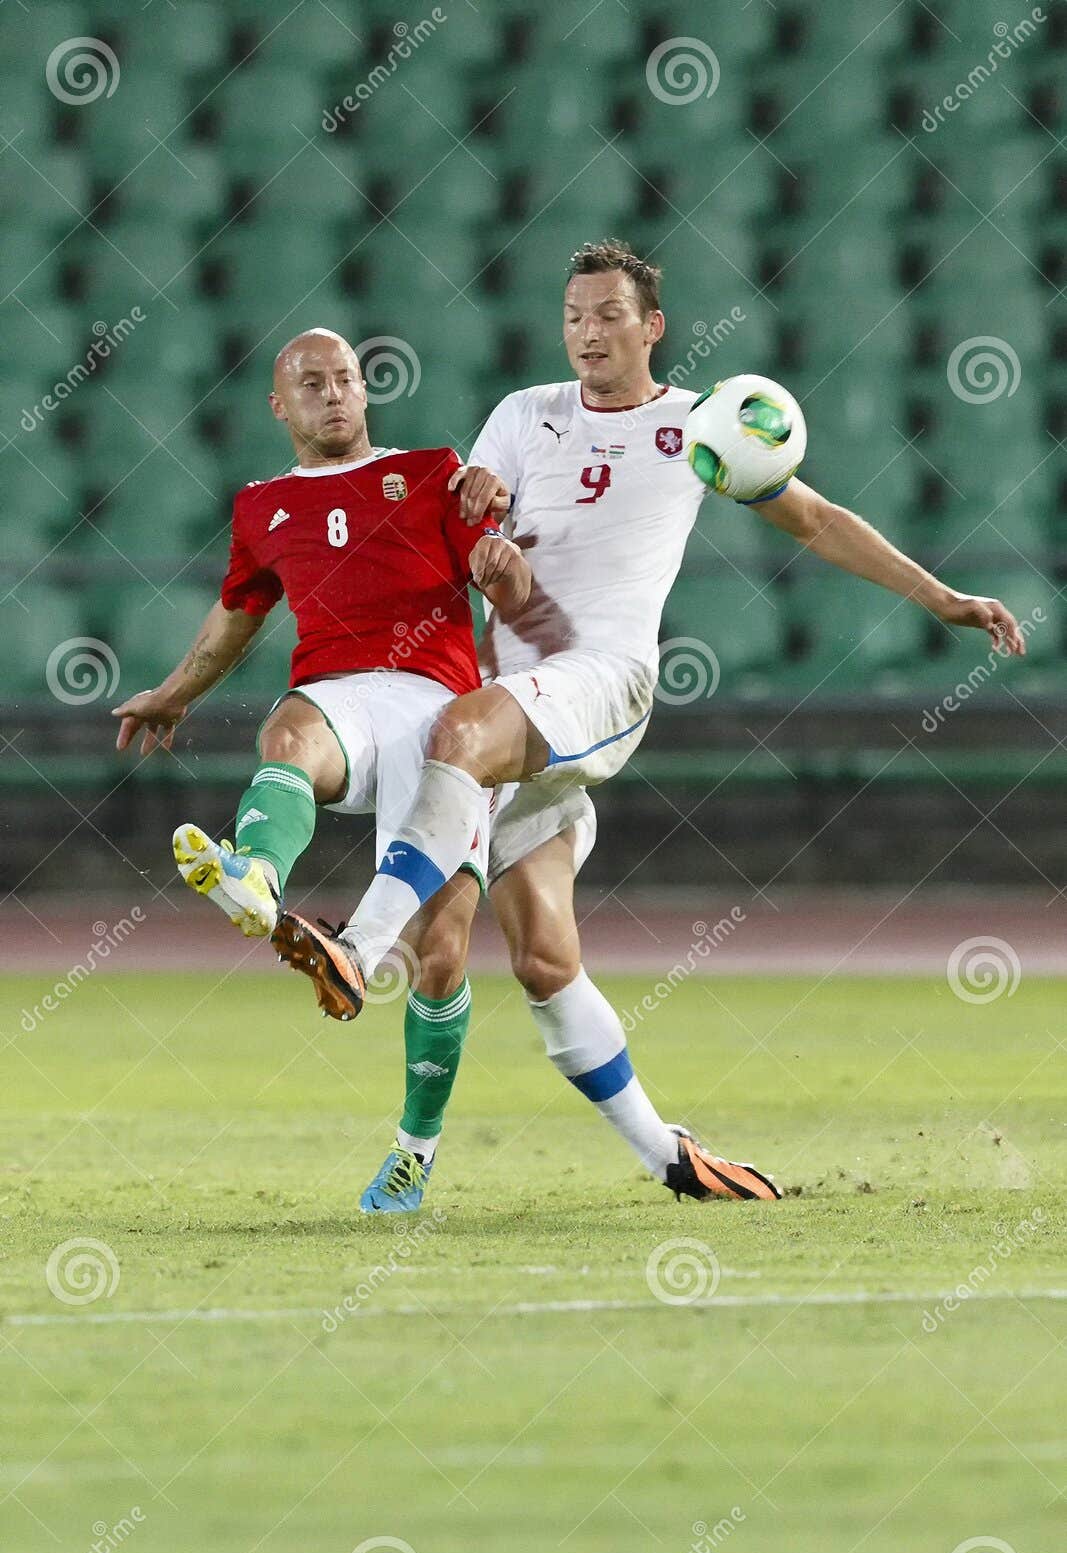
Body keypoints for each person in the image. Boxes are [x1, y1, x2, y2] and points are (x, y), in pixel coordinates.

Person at [274, 240, 1026, 1208]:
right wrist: (482, 514)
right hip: (505, 696)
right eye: (574, 316)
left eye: (608, 316)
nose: (587, 332)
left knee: (451, 737)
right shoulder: (522, 414)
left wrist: (938, 597)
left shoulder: (696, 428)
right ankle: (661, 1154)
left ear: (651, 326)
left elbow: (814, 519)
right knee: (519, 957)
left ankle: (353, 944)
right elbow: (474, 526)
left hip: (595, 681)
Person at [111, 327, 529, 1212]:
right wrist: (174, 692)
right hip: (342, 698)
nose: (334, 393)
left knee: (441, 960)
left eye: (346, 378)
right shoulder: (260, 507)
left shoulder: (433, 473)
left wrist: (501, 559)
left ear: (365, 392)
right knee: (289, 732)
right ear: (279, 404)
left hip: (443, 711)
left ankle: (414, 1151)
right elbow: (237, 618)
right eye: (312, 382)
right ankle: (257, 878)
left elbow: (502, 566)